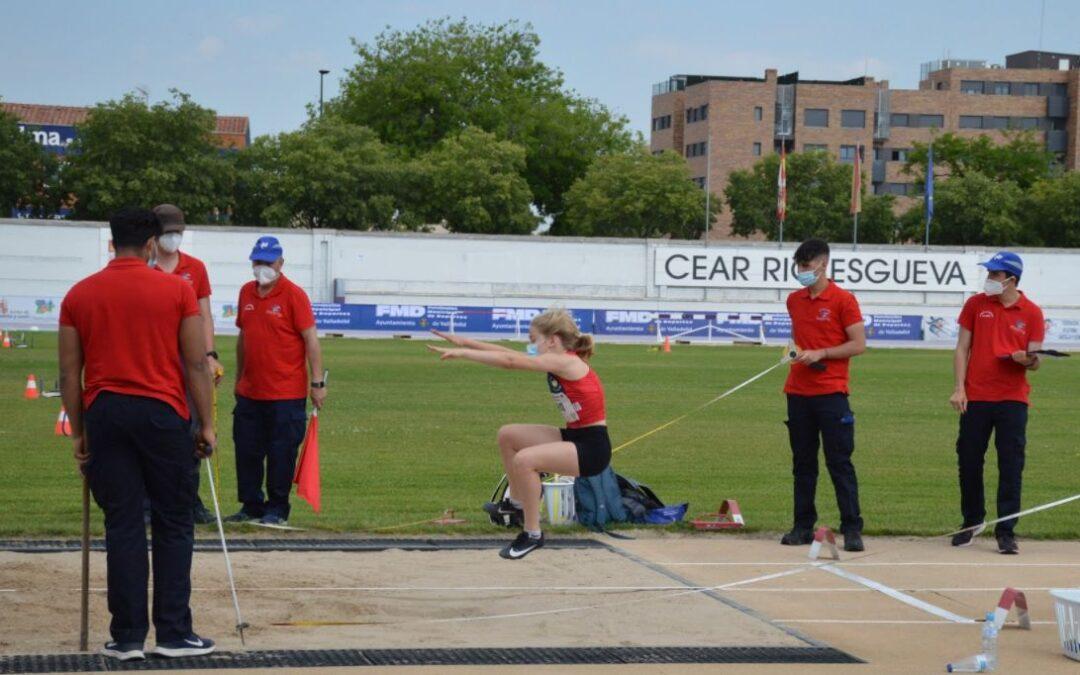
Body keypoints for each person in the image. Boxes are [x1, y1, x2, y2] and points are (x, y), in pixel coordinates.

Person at [58, 208, 216, 661]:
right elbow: (196, 363)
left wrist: (78, 432)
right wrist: (205, 424)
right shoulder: (177, 290)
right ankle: (172, 632)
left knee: (123, 524)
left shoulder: (79, 294)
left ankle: (127, 637)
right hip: (163, 413)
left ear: (112, 243)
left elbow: (70, 374)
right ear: (150, 245)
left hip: (105, 414)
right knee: (173, 522)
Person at [428, 308, 611, 560]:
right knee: (508, 435)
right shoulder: (557, 358)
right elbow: (510, 354)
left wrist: (463, 353)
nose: (530, 346)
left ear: (552, 340)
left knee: (525, 460)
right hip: (575, 437)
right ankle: (516, 506)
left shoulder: (566, 361)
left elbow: (511, 362)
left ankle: (532, 534)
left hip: (592, 448)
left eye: (532, 339)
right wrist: (465, 342)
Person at [226, 236, 325, 527]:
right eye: (257, 262)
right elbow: (243, 338)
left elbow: (311, 340)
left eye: (267, 262)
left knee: (281, 452)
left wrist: (317, 382)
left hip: (286, 392)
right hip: (250, 391)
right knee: (247, 450)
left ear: (280, 263)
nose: (261, 268)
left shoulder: (294, 295)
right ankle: (251, 505)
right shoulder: (246, 292)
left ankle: (277, 508)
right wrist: (239, 376)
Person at [949, 251, 1043, 555]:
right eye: (988, 273)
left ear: (1011, 279)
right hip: (976, 397)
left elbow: (1036, 360)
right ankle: (972, 521)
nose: (988, 279)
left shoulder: (1032, 312)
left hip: (1013, 400)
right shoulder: (976, 304)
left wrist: (1026, 360)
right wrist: (959, 388)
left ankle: (1006, 530)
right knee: (969, 460)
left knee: (1011, 464)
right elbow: (962, 348)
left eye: (994, 275)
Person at [781, 238, 867, 552]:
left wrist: (822, 354)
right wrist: (794, 352)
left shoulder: (844, 300)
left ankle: (852, 528)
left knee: (839, 463)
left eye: (807, 266)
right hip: (798, 393)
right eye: (799, 266)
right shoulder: (794, 300)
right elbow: (797, 338)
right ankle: (802, 526)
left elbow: (858, 344)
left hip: (832, 393)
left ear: (823, 264)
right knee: (802, 464)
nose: (802, 271)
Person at [152, 203, 223, 525]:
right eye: (168, 233)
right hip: (151, 362)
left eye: (177, 233)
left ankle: (190, 501)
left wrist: (210, 356)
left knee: (194, 431)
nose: (173, 239)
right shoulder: (144, 266)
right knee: (152, 431)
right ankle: (147, 502)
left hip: (189, 362)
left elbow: (205, 314)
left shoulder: (196, 268)